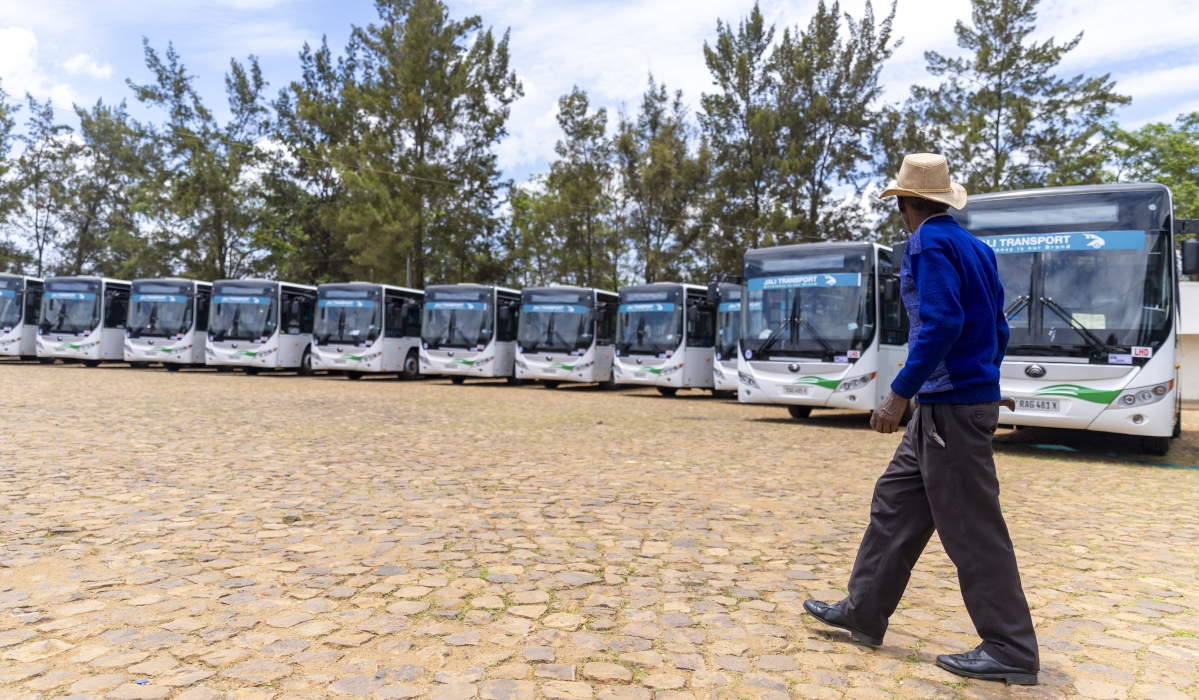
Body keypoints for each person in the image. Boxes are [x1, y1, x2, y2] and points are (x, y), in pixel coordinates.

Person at [803, 153, 1040, 685]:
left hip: (947, 406)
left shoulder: (926, 243)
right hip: (950, 404)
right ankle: (863, 610)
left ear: (905, 205)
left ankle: (1009, 648)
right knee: (895, 502)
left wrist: (898, 394)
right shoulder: (976, 248)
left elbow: (941, 323)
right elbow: (998, 329)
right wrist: (982, 382)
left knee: (972, 527)